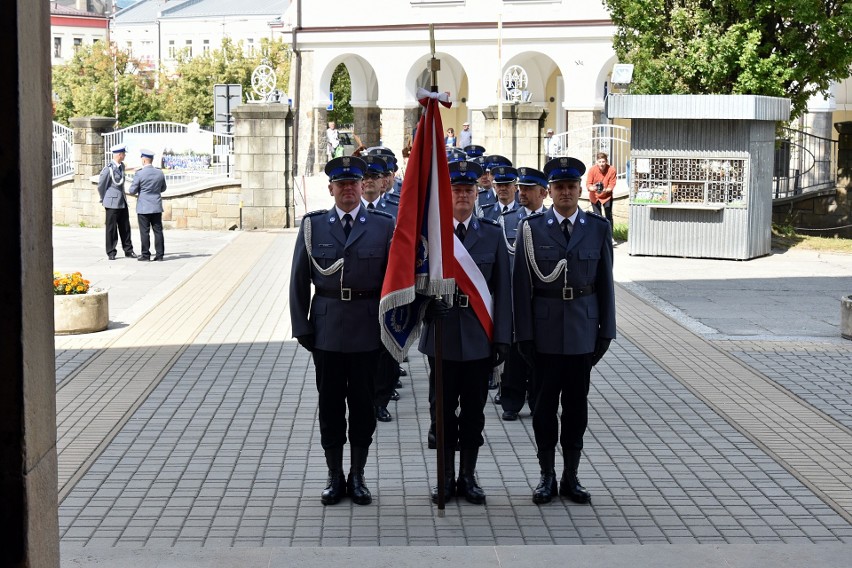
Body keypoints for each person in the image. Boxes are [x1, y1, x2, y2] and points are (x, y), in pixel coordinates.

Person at [289, 155, 395, 506]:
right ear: (331, 188)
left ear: (363, 186)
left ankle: (358, 475)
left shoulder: (382, 225)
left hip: (368, 329)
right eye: (342, 184)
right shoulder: (313, 226)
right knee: (331, 405)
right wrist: (301, 325)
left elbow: (393, 281)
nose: (348, 189)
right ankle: (335, 476)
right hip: (328, 329)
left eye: (354, 183)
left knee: (363, 407)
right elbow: (299, 280)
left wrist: (393, 327)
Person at [513, 156, 616, 505]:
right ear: (549, 191)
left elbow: (605, 285)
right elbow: (520, 286)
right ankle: (546, 476)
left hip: (581, 335)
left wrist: (606, 332)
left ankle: (571, 476)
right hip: (542, 336)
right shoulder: (531, 228)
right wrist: (522, 335)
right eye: (559, 188)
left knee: (576, 409)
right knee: (543, 410)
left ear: (579, 190)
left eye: (572, 187)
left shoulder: (597, 228)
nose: (566, 193)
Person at [419, 159, 511, 505]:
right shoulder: (432, 234)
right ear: (448, 195)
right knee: (440, 412)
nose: (461, 196)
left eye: (467, 190)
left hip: (478, 338)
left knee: (474, 412)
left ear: (477, 193)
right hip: (441, 335)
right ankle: (444, 477)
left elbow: (502, 290)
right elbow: (416, 283)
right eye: (455, 190)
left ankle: (468, 477)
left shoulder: (491, 233)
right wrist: (427, 306)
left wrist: (502, 338)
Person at [497, 166, 549, 421]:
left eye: (529, 189)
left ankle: (538, 398)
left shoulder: (550, 222)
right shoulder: (507, 220)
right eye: (522, 188)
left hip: (542, 299)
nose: (523, 193)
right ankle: (511, 400)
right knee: (515, 352)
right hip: (513, 298)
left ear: (543, 193)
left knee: (541, 351)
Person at [360, 155, 401, 423]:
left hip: (390, 289)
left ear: (382, 181)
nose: (369, 182)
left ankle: (381, 400)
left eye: (374, 177)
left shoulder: (397, 208)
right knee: (364, 351)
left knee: (387, 351)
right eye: (364, 178)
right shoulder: (352, 208)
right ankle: (364, 399)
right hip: (363, 294)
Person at [97, 143, 137, 260]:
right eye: (123, 154)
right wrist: (105, 198)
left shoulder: (121, 166)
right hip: (111, 202)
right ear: (119, 154)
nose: (124, 156)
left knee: (125, 227)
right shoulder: (108, 169)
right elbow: (101, 186)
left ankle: (128, 250)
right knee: (111, 229)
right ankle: (111, 252)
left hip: (122, 201)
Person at [127, 149, 167, 262]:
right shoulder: (159, 173)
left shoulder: (139, 173)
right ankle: (160, 255)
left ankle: (145, 254)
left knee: (145, 232)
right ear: (152, 160)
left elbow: (132, 190)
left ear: (144, 160)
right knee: (158, 231)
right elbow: (163, 188)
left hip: (144, 207)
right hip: (156, 206)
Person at [586, 152, 617, 229]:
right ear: (597, 162)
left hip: (607, 196)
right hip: (595, 196)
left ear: (606, 161)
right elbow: (588, 184)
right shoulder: (592, 170)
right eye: (599, 162)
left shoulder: (611, 170)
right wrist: (593, 188)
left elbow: (612, 184)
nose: (601, 164)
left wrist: (606, 190)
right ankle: (599, 236)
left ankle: (609, 236)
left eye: (603, 162)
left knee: (608, 216)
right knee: (597, 217)